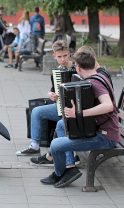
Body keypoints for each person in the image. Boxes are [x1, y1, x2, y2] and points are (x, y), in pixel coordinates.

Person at [40, 49, 120, 188]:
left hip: (106, 137)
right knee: (60, 124)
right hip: (99, 129)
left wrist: (78, 113)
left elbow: (108, 106)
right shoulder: (100, 74)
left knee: (55, 145)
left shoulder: (95, 83)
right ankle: (69, 167)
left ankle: (59, 173)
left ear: (77, 68)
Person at [16, 40, 75, 160]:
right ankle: (34, 146)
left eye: (65, 55)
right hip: (60, 107)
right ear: (54, 56)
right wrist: (51, 94)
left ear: (69, 54)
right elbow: (54, 90)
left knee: (60, 124)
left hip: (74, 111)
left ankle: (62, 155)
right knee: (36, 111)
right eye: (59, 56)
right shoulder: (56, 72)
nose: (63, 59)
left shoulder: (77, 69)